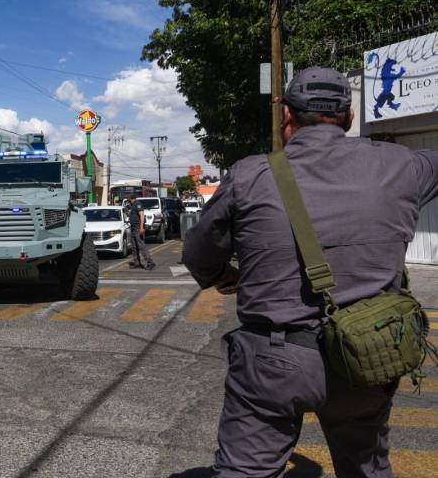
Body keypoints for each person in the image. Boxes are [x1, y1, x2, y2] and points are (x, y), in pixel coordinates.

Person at [182, 66, 438, 477]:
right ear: (350, 117)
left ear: (286, 117)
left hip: (272, 360)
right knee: (366, 468)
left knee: (243, 472)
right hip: (367, 357)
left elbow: (197, 252)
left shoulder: (250, 175)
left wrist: (222, 277)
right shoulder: (403, 166)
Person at [127, 195, 155, 270]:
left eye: (128, 199)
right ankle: (137, 263)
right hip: (133, 228)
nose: (128, 200)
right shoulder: (132, 205)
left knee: (141, 246)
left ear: (131, 198)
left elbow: (142, 215)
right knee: (134, 246)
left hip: (137, 227)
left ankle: (150, 262)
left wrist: (141, 227)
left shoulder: (137, 204)